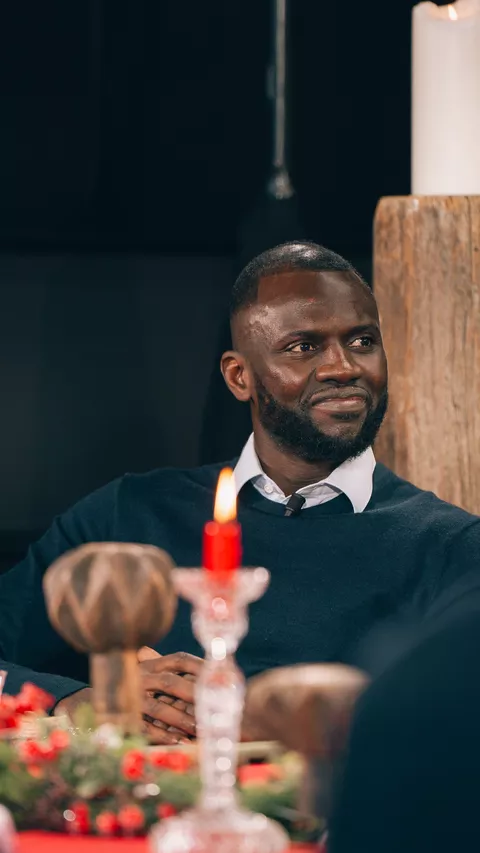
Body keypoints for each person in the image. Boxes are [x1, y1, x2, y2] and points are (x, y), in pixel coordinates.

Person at [0, 241, 478, 745]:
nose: (344, 367)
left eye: (362, 341)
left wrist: (264, 723)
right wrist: (74, 701)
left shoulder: (452, 548)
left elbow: (454, 730)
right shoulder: (128, 515)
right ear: (238, 376)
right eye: (304, 347)